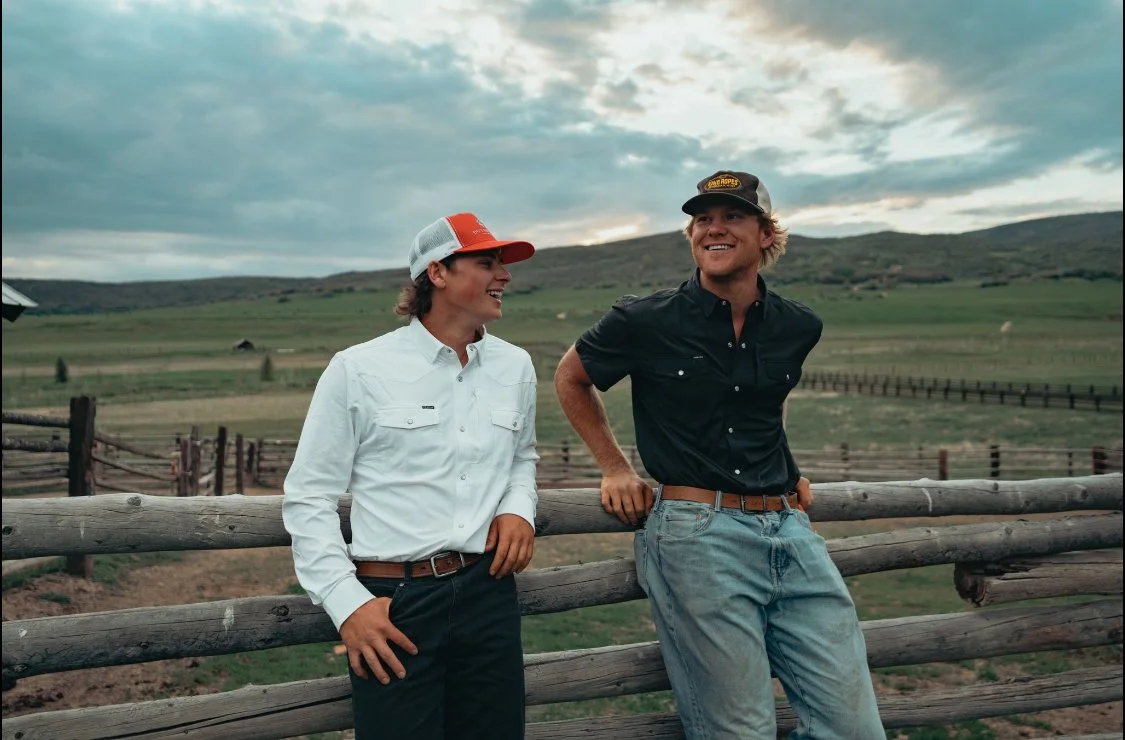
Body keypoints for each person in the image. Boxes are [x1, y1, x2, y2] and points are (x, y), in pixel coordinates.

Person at [554, 171, 884, 738]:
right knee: (741, 731)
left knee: (853, 728)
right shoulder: (644, 319)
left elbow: (762, 404)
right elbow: (570, 378)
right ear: (691, 236)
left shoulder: (797, 324)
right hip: (695, 532)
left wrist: (790, 470)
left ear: (765, 235)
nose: (714, 228)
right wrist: (614, 467)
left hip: (790, 531)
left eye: (732, 216)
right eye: (703, 219)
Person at [283, 212, 539, 740]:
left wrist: (518, 508)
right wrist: (346, 603)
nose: (504, 276)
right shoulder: (358, 369)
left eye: (503, 265)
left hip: (487, 591)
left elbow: (522, 458)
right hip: (393, 603)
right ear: (438, 274)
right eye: (487, 263)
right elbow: (309, 497)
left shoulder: (515, 367)